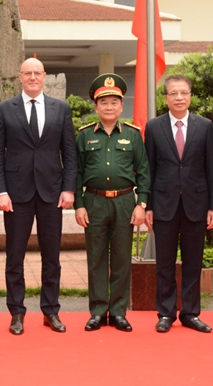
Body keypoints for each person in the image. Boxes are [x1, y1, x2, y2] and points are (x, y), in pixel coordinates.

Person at [0, 57, 77, 335]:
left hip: (52, 192)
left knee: (52, 257)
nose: (33, 77)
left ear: (45, 76)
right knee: (14, 257)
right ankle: (16, 312)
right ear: (20, 76)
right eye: (27, 73)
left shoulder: (60, 109)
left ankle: (51, 311)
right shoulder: (4, 109)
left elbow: (69, 152)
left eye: (37, 73)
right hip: (16, 194)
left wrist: (69, 188)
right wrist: (0, 191)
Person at [144, 74, 213, 333]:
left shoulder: (205, 126)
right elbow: (149, 169)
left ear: (190, 96)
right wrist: (148, 206)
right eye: (174, 93)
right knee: (164, 264)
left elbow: (211, 168)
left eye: (184, 93)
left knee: (193, 262)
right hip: (163, 204)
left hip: (196, 204)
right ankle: (166, 313)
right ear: (166, 98)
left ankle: (190, 313)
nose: (179, 97)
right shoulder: (154, 127)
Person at [75, 74, 149, 332]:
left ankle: (118, 312)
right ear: (96, 107)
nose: (109, 107)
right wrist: (79, 204)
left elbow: (144, 171)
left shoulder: (133, 135)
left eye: (114, 102)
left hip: (125, 202)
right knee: (95, 259)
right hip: (94, 202)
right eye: (104, 102)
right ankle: (97, 311)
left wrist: (141, 204)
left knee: (121, 259)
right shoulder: (85, 136)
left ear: (121, 106)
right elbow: (76, 172)